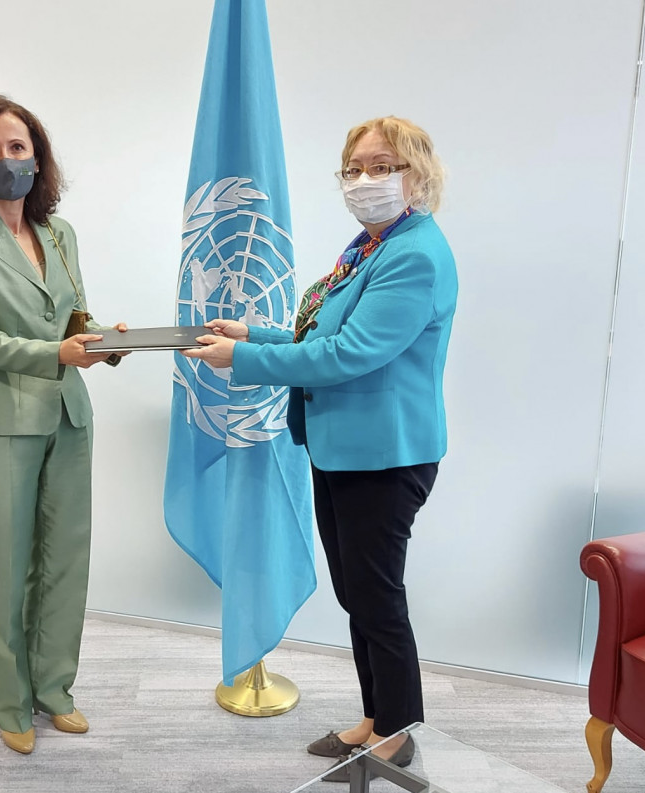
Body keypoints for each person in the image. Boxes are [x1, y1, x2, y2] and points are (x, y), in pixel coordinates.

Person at [182, 116, 457, 782]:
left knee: (376, 595)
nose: (365, 180)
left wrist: (243, 357)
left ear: (415, 174)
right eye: (354, 167)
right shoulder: (369, 248)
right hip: (344, 449)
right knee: (358, 591)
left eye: (381, 166)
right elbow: (319, 331)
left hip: (385, 456)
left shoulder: (416, 253)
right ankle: (376, 715)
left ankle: (397, 730)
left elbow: (350, 354)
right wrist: (256, 332)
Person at [0, 95, 126, 755]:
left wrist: (106, 340)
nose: (6, 160)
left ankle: (55, 689)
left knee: (65, 562)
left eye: (16, 147)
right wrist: (60, 354)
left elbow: (74, 319)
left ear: (37, 156)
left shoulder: (59, 233)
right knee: (5, 572)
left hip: (69, 415)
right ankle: (11, 703)